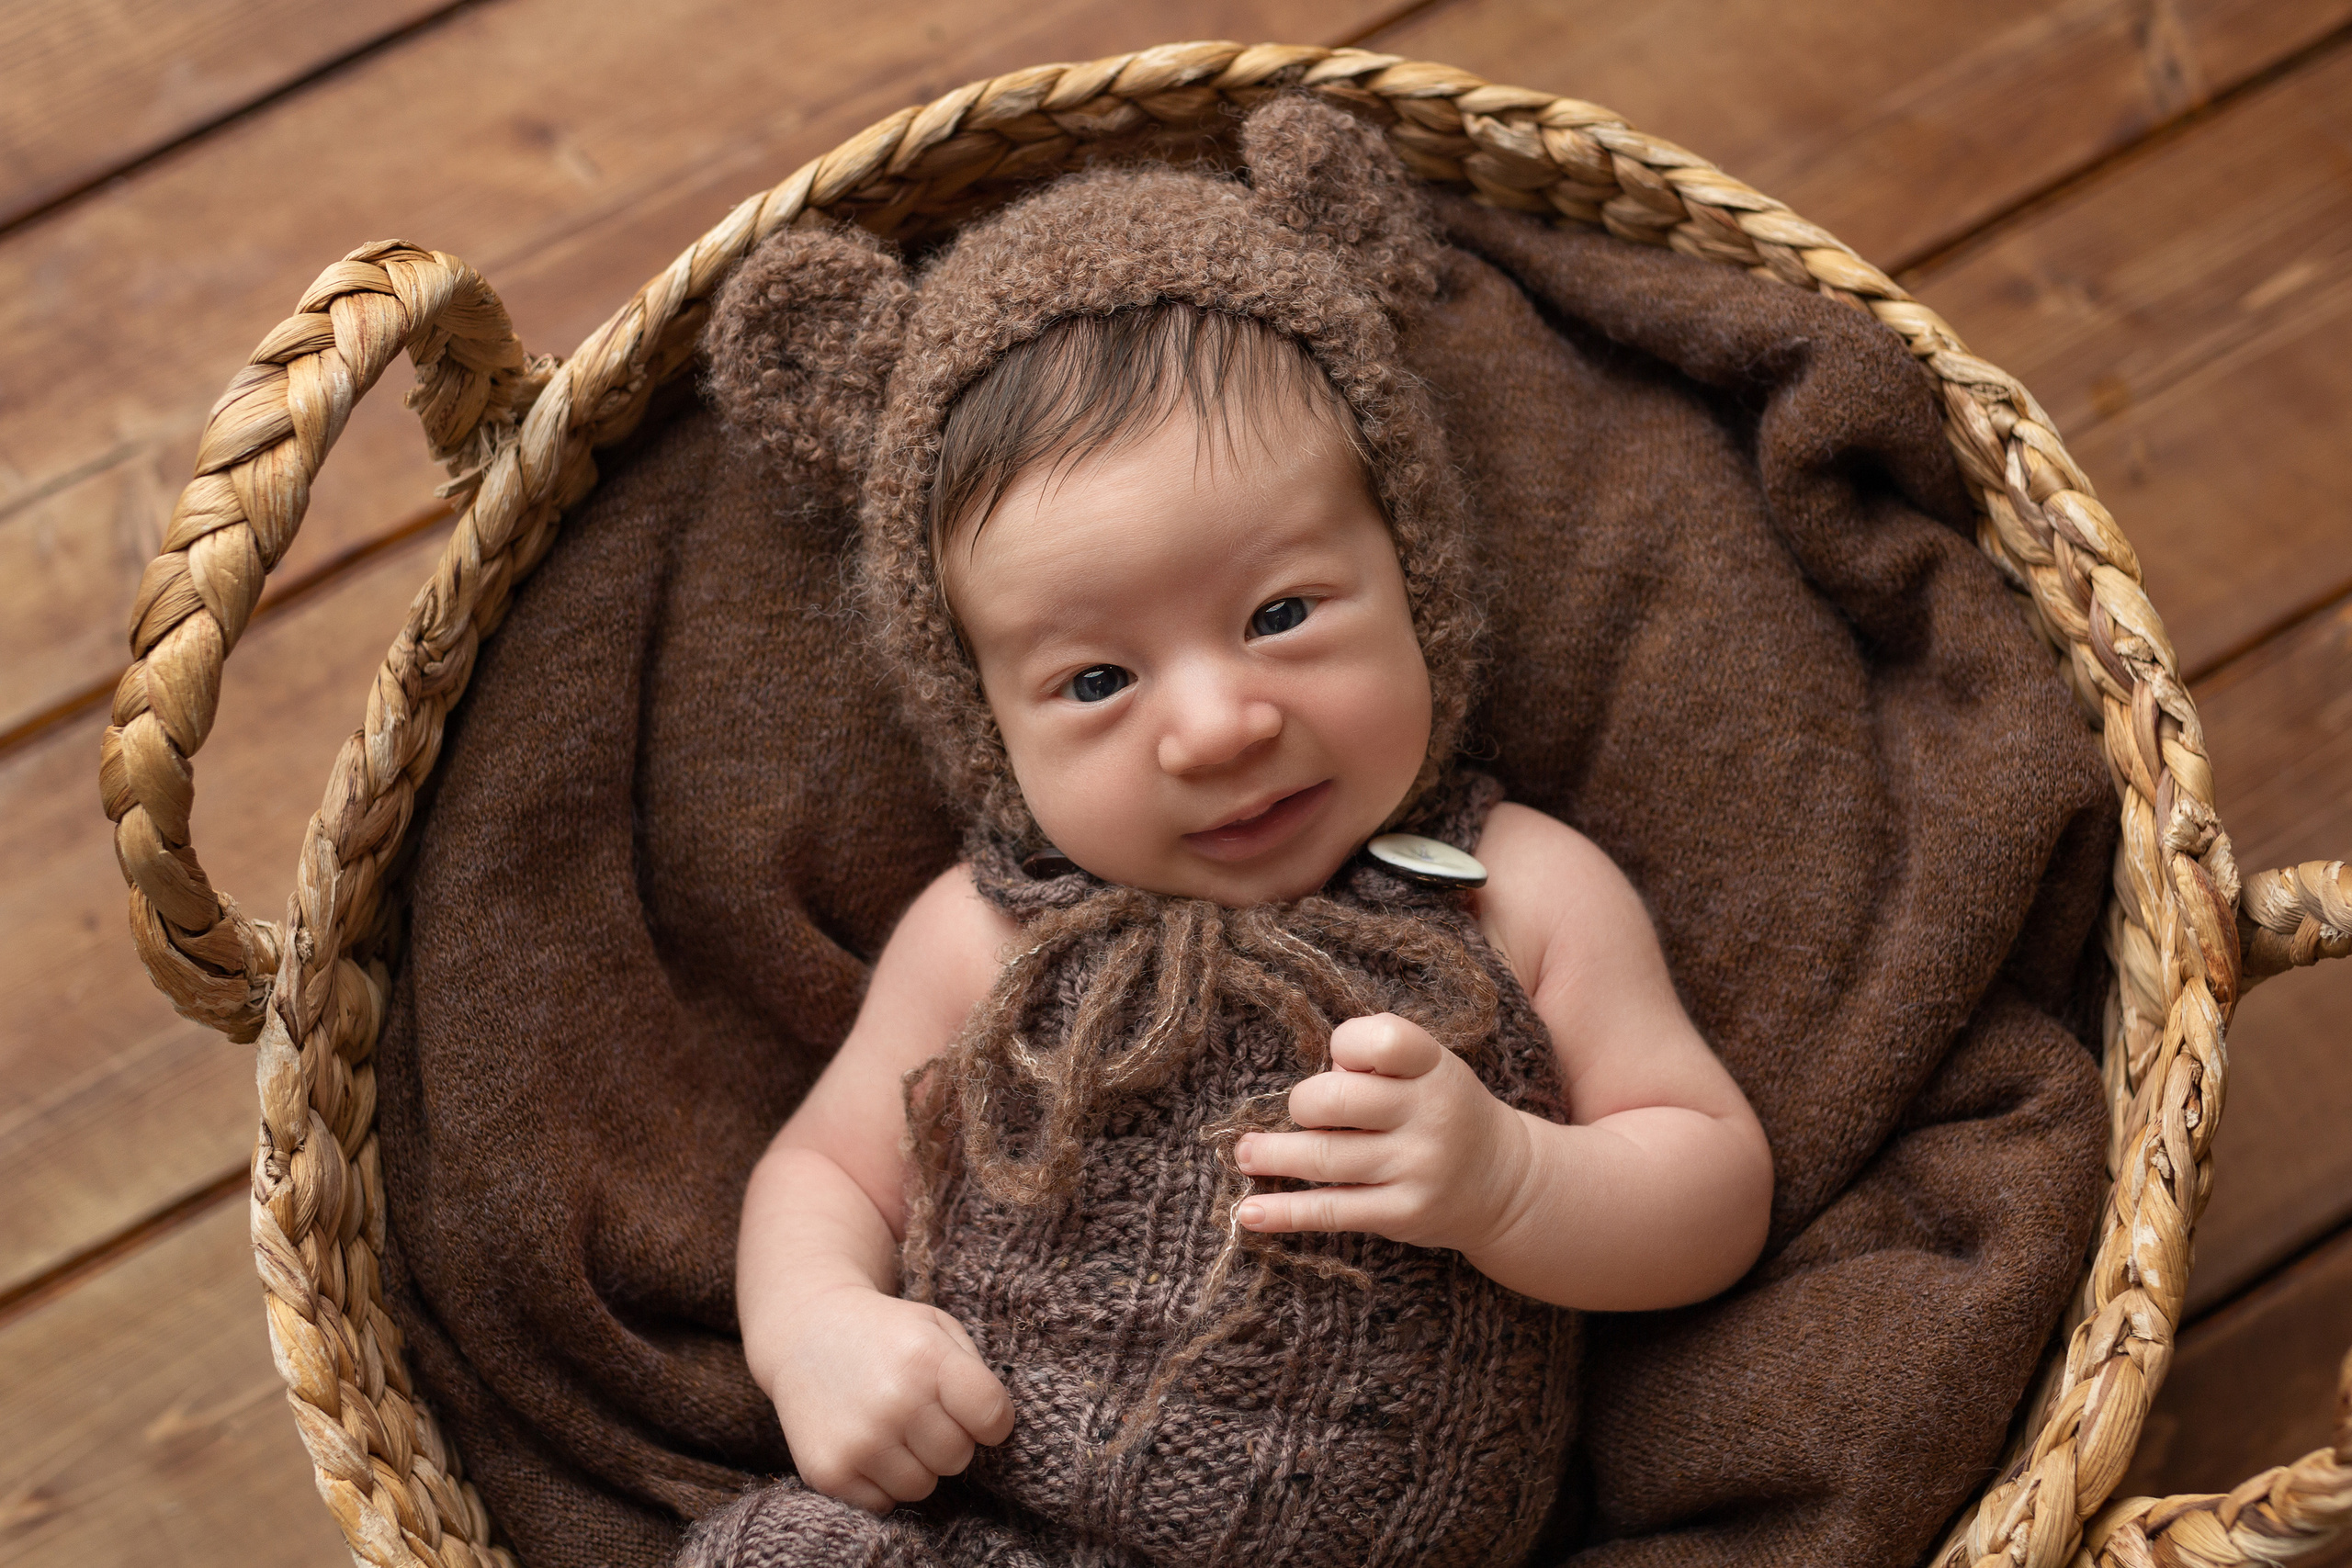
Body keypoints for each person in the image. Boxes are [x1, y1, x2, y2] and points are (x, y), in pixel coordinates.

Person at [691, 96, 1772, 1568]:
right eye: (1095, 682)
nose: (1216, 728)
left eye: (1280, 616)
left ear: (1415, 579)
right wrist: (818, 1329)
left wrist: (1514, 1182)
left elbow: (1711, 1183)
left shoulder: (1511, 893)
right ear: (984, 722)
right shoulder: (987, 932)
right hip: (995, 1525)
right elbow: (823, 1175)